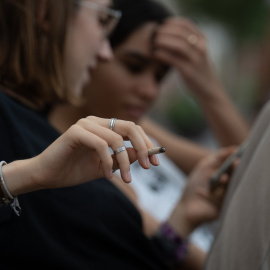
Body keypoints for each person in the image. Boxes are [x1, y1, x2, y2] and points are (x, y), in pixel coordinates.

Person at [0, 0, 236, 269]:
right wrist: (25, 175)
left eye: (160, 77)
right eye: (102, 21)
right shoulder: (38, 142)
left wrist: (182, 219)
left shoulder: (69, 140)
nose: (104, 51)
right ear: (45, 13)